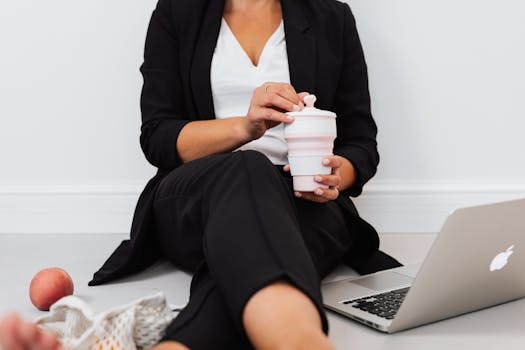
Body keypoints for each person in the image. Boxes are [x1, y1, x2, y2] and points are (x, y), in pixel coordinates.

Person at [85, 0, 402, 349]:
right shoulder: (177, 11)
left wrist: (338, 175)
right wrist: (245, 128)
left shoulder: (331, 16)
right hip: (197, 197)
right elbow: (158, 137)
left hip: (301, 202)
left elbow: (360, 142)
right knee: (247, 167)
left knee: (245, 261)